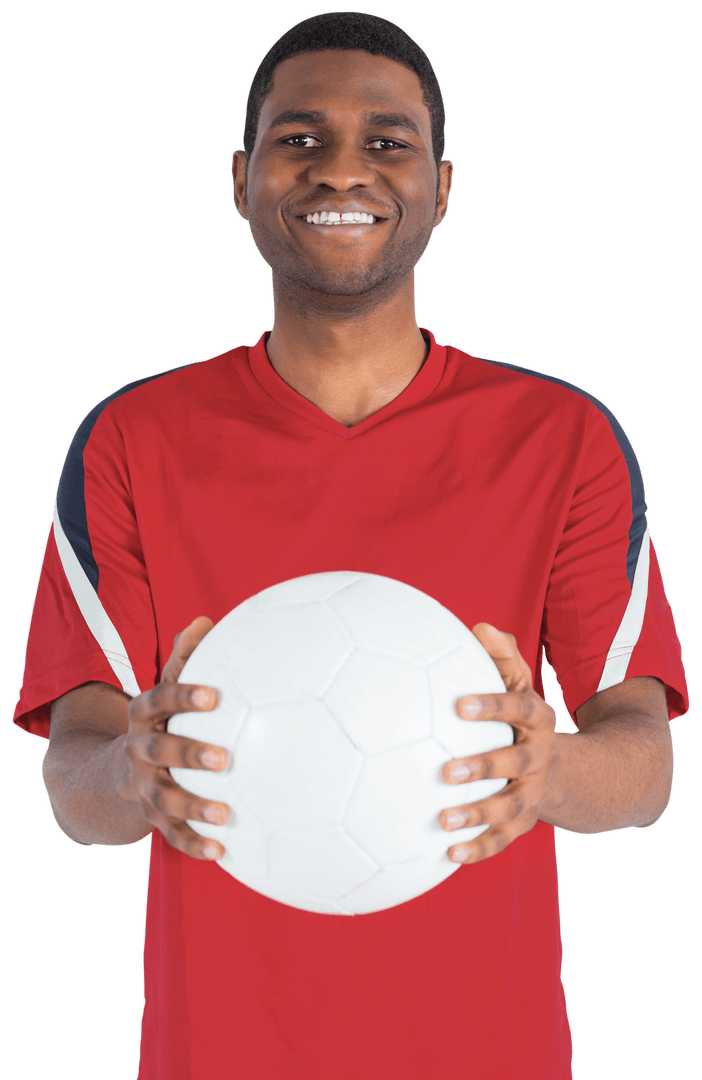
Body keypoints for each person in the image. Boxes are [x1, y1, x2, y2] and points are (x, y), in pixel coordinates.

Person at [13, 10, 688, 1080]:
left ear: (443, 186)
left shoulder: (563, 439)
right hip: (217, 1054)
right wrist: (135, 773)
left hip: (490, 1054)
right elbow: (72, 781)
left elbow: (645, 766)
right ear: (241, 180)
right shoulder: (132, 441)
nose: (342, 168)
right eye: (300, 136)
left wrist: (550, 767)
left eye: (388, 141)